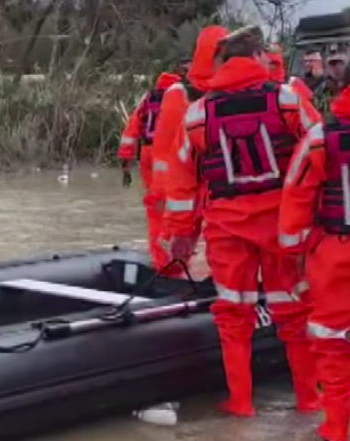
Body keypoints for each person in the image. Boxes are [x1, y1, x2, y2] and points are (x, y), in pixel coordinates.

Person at [162, 25, 321, 418]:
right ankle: (309, 399)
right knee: (295, 314)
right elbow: (320, 153)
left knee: (234, 317)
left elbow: (183, 183)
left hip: (227, 229)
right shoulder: (287, 100)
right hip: (283, 229)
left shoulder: (198, 115)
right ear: (256, 58)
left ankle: (241, 403)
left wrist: (180, 237)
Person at [279, 61, 350, 441]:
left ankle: (337, 428)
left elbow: (296, 198)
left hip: (337, 254)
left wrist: (296, 256)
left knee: (334, 342)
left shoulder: (323, 137)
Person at [147, 25, 229, 276]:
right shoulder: (180, 94)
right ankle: (166, 285)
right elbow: (172, 150)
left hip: (197, 185)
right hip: (173, 186)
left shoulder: (215, 93)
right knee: (169, 245)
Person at [118, 68, 182, 274]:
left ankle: (157, 255)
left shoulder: (148, 99)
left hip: (146, 153)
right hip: (169, 155)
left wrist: (126, 163)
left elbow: (131, 131)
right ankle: (169, 260)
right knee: (174, 209)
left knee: (155, 207)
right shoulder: (180, 100)